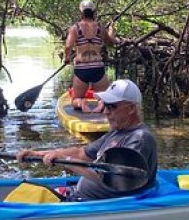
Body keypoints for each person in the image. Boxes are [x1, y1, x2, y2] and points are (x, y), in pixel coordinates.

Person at [16, 79, 157, 201]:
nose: (106, 112)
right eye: (105, 105)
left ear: (131, 108)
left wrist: (68, 163)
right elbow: (81, 153)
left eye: (112, 106)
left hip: (97, 203)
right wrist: (37, 154)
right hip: (78, 195)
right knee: (23, 193)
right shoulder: (116, 133)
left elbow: (113, 179)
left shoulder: (140, 139)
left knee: (25, 199)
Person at [65, 0, 119, 112]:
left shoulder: (75, 28)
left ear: (81, 12)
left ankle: (81, 103)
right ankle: (101, 104)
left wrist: (67, 58)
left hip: (82, 68)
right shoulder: (100, 27)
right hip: (97, 67)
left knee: (75, 99)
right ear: (93, 12)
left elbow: (68, 46)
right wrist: (111, 32)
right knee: (105, 97)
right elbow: (110, 42)